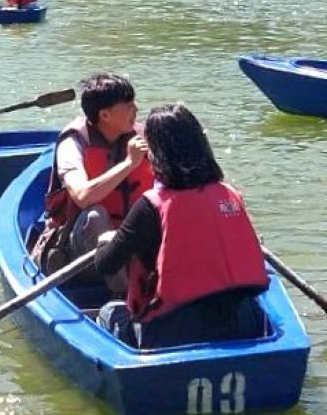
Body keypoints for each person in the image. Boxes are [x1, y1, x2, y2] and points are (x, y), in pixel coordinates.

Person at [92, 104, 270, 350]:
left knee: (109, 311)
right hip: (245, 323)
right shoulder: (229, 194)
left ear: (155, 153)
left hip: (175, 332)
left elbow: (106, 265)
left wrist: (105, 241)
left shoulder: (150, 205)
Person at [42, 72, 153, 279]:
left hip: (131, 241)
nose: (136, 110)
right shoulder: (73, 144)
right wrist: (130, 163)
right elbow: (83, 196)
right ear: (104, 115)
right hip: (84, 252)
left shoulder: (140, 136)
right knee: (96, 216)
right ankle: (124, 298)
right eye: (128, 105)